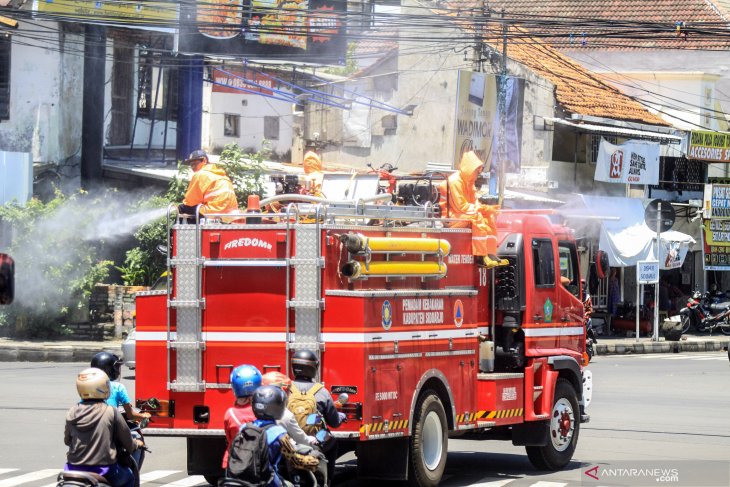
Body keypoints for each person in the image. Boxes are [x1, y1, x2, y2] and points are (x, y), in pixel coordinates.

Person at [227, 385, 322, 487]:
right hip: (267, 482)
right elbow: (296, 461)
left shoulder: (244, 428)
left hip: (238, 480)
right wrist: (315, 460)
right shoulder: (279, 434)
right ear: (278, 407)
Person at [64, 367, 143, 487]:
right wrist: (137, 443)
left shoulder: (72, 411)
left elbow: (67, 440)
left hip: (72, 469)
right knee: (129, 477)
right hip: (104, 470)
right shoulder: (110, 411)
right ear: (104, 387)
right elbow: (128, 443)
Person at [290, 350, 345, 482]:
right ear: (313, 368)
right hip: (315, 438)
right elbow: (334, 422)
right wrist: (342, 416)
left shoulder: (286, 388)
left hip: (289, 439)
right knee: (332, 442)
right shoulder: (321, 391)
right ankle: (328, 480)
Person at [438, 150, 499, 261]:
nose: (478, 174)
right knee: (477, 217)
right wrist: (484, 209)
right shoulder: (455, 181)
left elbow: (474, 202)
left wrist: (487, 210)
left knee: (488, 217)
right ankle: (480, 256)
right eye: (477, 171)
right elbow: (461, 207)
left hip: (460, 214)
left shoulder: (468, 182)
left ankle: (490, 253)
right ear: (470, 169)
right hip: (449, 218)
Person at [177, 149, 240, 222]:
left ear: (204, 160)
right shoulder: (222, 176)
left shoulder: (200, 174)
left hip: (214, 212)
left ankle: (179, 233)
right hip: (230, 215)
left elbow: (190, 202)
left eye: (195, 164)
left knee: (182, 208)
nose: (193, 167)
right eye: (191, 165)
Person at [261, 371, 318, 447]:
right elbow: (301, 439)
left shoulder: (254, 409)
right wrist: (311, 439)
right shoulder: (285, 414)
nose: (289, 394)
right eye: (288, 390)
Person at [90, 352, 150, 423]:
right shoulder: (118, 387)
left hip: (91, 426)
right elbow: (130, 415)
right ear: (109, 369)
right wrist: (144, 415)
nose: (118, 372)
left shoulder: (88, 386)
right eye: (116, 368)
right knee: (135, 434)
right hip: (109, 426)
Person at [222, 364, 262, 469]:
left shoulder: (230, 414)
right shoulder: (263, 411)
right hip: (258, 464)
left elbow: (228, 437)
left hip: (233, 464)